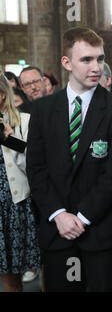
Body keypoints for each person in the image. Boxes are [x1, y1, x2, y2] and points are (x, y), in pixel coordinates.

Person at [26, 27, 112, 292]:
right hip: (57, 234)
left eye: (100, 59)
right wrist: (59, 214)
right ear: (67, 62)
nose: (96, 67)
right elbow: (36, 169)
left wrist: (83, 217)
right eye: (86, 60)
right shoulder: (43, 109)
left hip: (102, 234)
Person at [0, 74, 40, 292]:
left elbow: (33, 165)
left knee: (12, 277)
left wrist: (10, 139)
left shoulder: (24, 121)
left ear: (2, 94)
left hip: (13, 205)